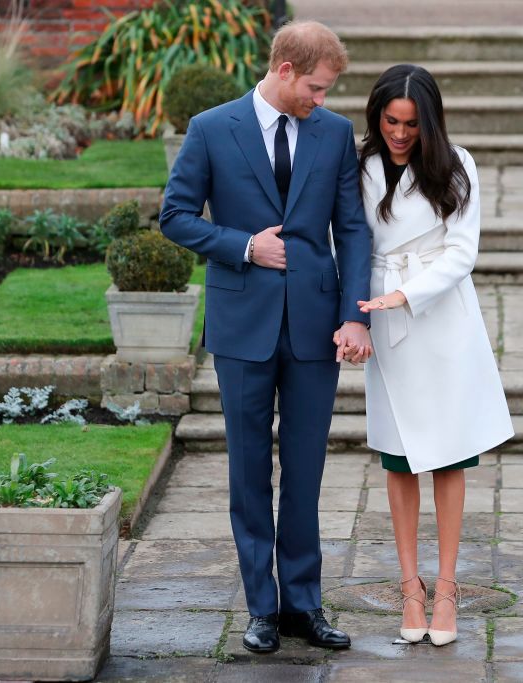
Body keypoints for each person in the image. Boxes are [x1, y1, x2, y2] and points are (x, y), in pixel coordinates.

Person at [159, 21, 373, 654]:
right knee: (249, 472)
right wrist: (244, 246)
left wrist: (355, 314)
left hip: (314, 327)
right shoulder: (210, 128)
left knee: (305, 473)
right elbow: (175, 215)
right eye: (315, 87)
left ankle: (304, 605)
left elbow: (353, 229)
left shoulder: (333, 135)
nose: (322, 100)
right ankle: (260, 608)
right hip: (241, 327)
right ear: (283, 70)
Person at [355, 64, 514, 646]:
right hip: (384, 322)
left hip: (442, 319)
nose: (400, 133)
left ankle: (447, 587)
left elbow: (461, 252)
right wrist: (362, 310)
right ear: (377, 117)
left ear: (431, 123)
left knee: (448, 456)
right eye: (391, 122)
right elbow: (347, 240)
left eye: (412, 124)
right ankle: (410, 587)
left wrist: (406, 292)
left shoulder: (457, 165)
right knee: (398, 458)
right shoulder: (360, 168)